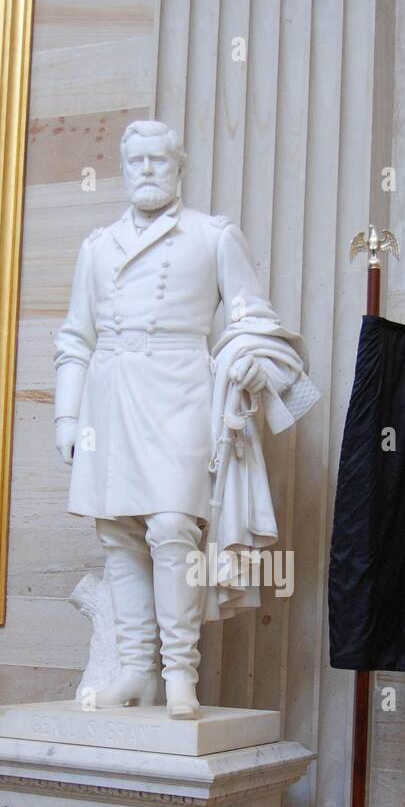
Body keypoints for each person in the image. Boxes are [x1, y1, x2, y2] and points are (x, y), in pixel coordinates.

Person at [54, 120, 316, 719]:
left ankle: (180, 674)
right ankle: (137, 671)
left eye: (159, 160)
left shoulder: (212, 236)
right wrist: (66, 416)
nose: (147, 170)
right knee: (118, 535)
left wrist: (250, 356)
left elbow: (254, 315)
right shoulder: (96, 247)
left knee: (173, 528)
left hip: (180, 390)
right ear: (124, 169)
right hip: (109, 398)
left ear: (180, 167)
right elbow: (75, 337)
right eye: (137, 161)